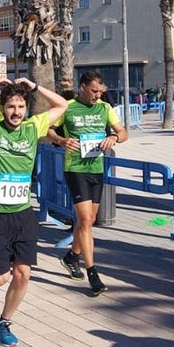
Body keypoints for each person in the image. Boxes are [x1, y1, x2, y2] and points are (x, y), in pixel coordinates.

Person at [0, 76, 68, 347]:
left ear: (26, 109)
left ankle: (3, 322)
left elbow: (62, 105)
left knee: (23, 273)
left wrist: (35, 87)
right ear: (1, 108)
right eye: (10, 106)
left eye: (20, 106)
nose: (16, 112)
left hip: (23, 212)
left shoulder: (33, 127)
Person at [45, 71, 128, 296]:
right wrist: (61, 140)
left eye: (101, 92)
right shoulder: (68, 107)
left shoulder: (104, 108)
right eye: (93, 91)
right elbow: (46, 128)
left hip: (96, 169)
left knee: (87, 224)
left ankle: (72, 256)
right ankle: (93, 273)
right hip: (75, 169)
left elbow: (123, 132)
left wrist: (114, 137)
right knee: (86, 219)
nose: (97, 96)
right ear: (82, 87)